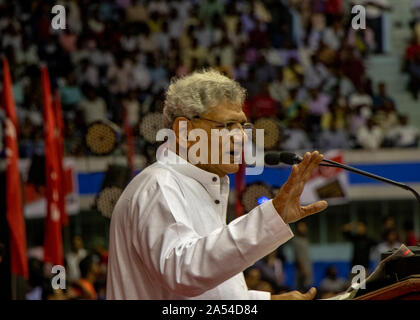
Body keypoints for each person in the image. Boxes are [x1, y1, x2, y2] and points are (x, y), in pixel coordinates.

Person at [106, 69, 327, 300]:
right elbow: (182, 273)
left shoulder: (199, 185)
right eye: (227, 125)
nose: (241, 137)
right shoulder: (159, 186)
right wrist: (271, 216)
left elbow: (204, 294)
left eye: (243, 126)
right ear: (184, 131)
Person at [293, 221, 313, 292]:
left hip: (307, 268)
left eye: (304, 226)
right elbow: (298, 257)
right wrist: (302, 269)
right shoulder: (297, 240)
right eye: (301, 226)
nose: (303, 228)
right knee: (301, 290)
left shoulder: (305, 239)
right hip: (301, 270)